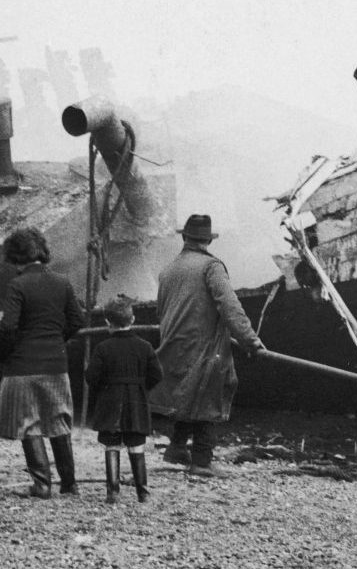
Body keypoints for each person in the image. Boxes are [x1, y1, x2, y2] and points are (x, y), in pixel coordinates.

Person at [149, 214, 264, 474]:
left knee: (186, 394)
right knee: (210, 394)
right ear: (208, 240)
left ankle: (177, 447)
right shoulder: (211, 267)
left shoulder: (168, 270)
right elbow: (230, 307)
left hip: (173, 341)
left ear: (184, 237)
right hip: (203, 346)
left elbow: (161, 310)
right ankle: (201, 461)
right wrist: (250, 341)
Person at [0, 227, 86, 498]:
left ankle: (42, 485)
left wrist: (5, 355)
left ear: (15, 256)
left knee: (29, 424)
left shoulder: (17, 285)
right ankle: (70, 484)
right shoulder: (63, 282)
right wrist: (56, 339)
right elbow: (77, 321)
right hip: (56, 364)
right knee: (59, 422)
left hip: (23, 366)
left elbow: (8, 327)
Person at [85, 297, 162, 503]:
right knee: (136, 445)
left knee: (112, 444)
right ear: (133, 319)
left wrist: (105, 388)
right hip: (136, 401)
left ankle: (113, 493)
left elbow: (91, 377)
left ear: (108, 323)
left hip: (110, 401)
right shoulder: (145, 346)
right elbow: (157, 375)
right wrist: (140, 387)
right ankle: (143, 494)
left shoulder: (102, 348)